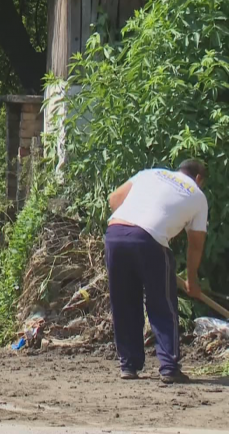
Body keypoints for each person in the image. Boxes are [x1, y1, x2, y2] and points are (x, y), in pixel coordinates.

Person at [105, 159, 208, 384]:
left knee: (124, 301)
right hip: (149, 240)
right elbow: (196, 244)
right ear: (199, 179)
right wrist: (192, 281)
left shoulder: (150, 174)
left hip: (115, 233)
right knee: (162, 304)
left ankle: (128, 365)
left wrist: (131, 228)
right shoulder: (198, 196)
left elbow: (114, 199)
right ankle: (169, 367)